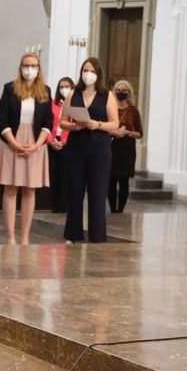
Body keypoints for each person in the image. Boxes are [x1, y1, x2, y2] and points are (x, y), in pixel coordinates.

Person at [0, 53, 52, 245]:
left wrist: (36, 145)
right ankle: (10, 237)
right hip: (12, 141)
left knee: (29, 191)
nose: (29, 69)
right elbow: (3, 119)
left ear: (39, 69)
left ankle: (25, 236)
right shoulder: (10, 88)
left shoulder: (46, 91)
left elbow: (48, 122)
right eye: (26, 65)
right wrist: (15, 144)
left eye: (33, 65)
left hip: (35, 142)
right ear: (20, 67)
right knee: (10, 189)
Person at [60, 57, 118, 243]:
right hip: (76, 147)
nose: (88, 74)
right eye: (85, 70)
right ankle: (73, 234)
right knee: (74, 192)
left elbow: (115, 123)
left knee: (97, 193)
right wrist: (73, 127)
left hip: (99, 149)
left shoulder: (106, 95)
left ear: (98, 74)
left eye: (92, 71)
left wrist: (98, 124)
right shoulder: (73, 94)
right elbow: (62, 121)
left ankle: (97, 236)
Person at [108, 80, 143, 213]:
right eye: (118, 90)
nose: (120, 93)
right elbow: (104, 126)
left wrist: (128, 132)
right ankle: (112, 209)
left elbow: (140, 133)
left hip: (127, 147)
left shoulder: (133, 110)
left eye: (124, 91)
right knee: (111, 180)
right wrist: (113, 132)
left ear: (129, 93)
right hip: (112, 145)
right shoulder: (110, 108)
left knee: (124, 180)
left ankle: (120, 210)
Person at [48, 76, 75, 213]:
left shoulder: (74, 105)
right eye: (61, 87)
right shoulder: (52, 104)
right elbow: (46, 123)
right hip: (52, 143)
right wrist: (51, 141)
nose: (64, 89)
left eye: (67, 86)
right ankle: (53, 206)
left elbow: (73, 124)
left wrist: (63, 141)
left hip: (67, 144)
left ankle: (64, 206)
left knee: (65, 176)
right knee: (53, 176)